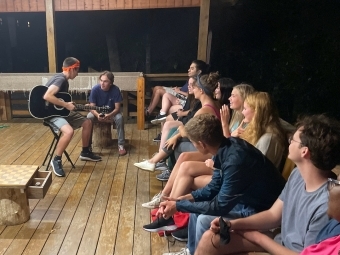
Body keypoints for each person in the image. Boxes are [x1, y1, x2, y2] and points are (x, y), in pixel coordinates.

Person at [195, 114, 340, 255]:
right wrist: (232, 224)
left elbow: (304, 253)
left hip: (289, 251)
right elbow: (273, 215)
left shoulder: (327, 205)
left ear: (304, 151)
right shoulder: (298, 176)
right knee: (211, 239)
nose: (289, 141)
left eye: (293, 140)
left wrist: (258, 237)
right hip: (279, 240)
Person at [142, 114, 286, 255]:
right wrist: (181, 200)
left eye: (193, 142)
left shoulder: (235, 160)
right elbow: (213, 187)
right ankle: (192, 251)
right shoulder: (224, 147)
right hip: (245, 201)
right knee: (197, 209)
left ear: (201, 144)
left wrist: (178, 206)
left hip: (260, 211)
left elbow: (220, 206)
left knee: (204, 219)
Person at [134, 72, 221, 172]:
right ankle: (155, 161)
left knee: (177, 143)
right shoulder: (214, 104)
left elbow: (188, 131)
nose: (193, 89)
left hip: (207, 148)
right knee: (176, 134)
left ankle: (161, 164)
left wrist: (177, 135)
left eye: (195, 87)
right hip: (205, 142)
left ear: (201, 91)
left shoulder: (204, 110)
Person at [43, 57, 102, 177]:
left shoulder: (61, 79)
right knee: (69, 132)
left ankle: (85, 152)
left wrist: (69, 104)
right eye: (77, 70)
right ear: (72, 69)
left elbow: (60, 99)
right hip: (51, 114)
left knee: (87, 122)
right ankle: (56, 160)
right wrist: (65, 104)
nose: (78, 73)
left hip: (61, 112)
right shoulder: (60, 79)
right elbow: (47, 96)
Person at [87, 71, 126, 156]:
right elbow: (92, 107)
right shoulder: (95, 89)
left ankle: (121, 145)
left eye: (105, 81)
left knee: (120, 118)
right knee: (89, 118)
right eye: (101, 80)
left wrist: (109, 115)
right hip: (98, 112)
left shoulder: (115, 90)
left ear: (111, 83)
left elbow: (117, 108)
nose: (102, 83)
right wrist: (97, 115)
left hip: (112, 112)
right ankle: (88, 145)